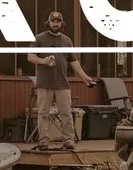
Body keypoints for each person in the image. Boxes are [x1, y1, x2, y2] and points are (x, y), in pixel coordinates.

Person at [26, 10, 95, 150]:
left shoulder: (67, 40)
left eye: (58, 21)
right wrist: (43, 60)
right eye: (53, 21)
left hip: (62, 83)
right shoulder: (39, 38)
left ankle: (68, 140)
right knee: (43, 113)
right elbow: (30, 57)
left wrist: (84, 76)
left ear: (62, 23)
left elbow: (73, 62)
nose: (55, 24)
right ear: (48, 22)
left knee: (66, 113)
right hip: (44, 83)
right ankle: (44, 141)